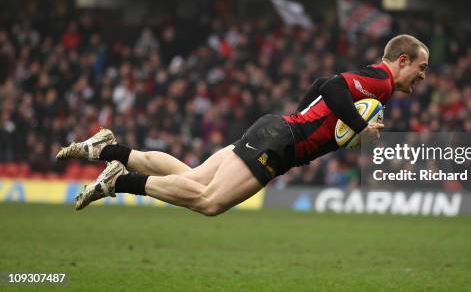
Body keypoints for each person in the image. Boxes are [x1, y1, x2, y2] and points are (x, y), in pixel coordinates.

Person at [57, 34, 429, 215]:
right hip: (280, 140)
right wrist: (351, 128)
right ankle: (117, 179)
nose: (422, 77)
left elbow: (320, 85)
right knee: (209, 202)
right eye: (421, 68)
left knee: (195, 180)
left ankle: (110, 149)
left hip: (280, 135)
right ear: (401, 60)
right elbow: (331, 87)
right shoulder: (380, 81)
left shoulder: (379, 86)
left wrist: (299, 121)